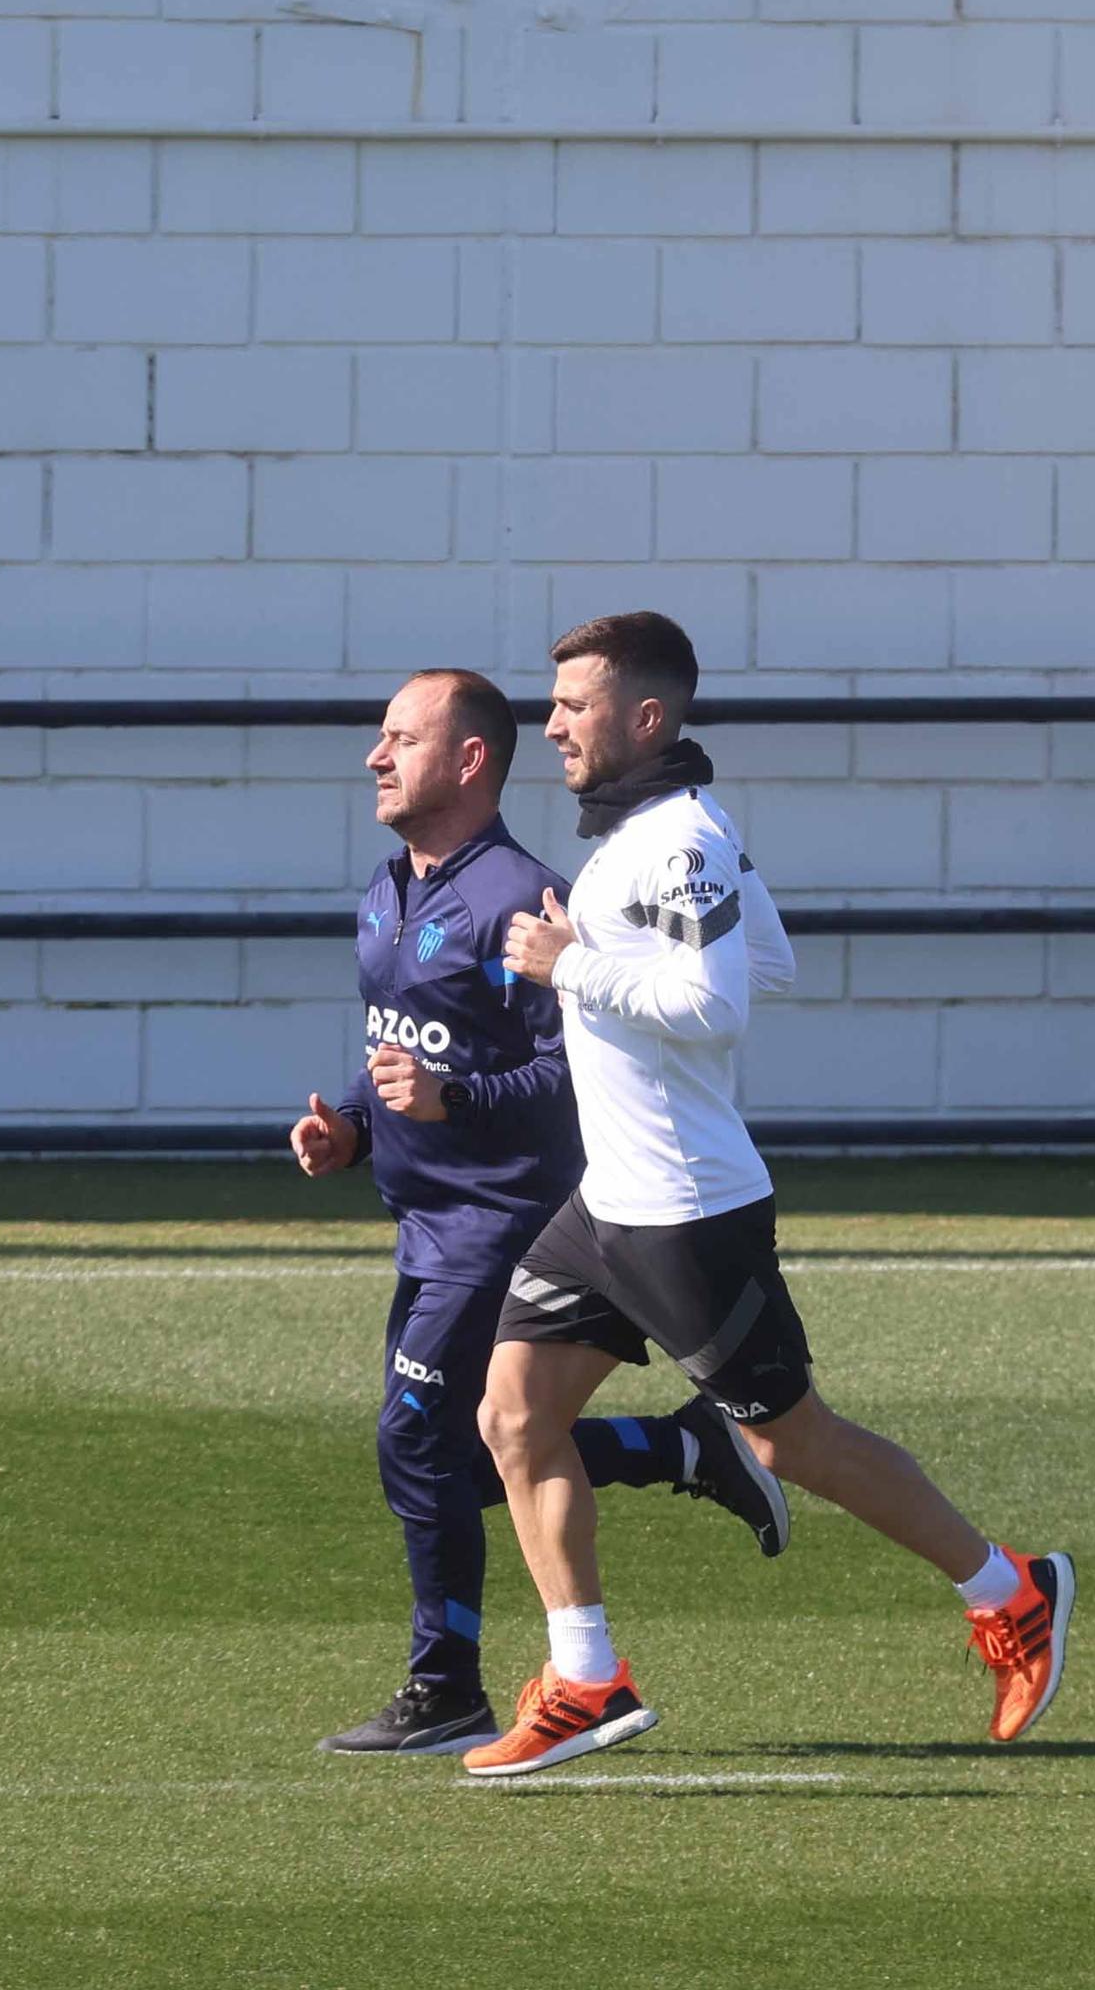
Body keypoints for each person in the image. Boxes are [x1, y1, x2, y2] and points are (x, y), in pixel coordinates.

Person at [464, 613, 1077, 1778]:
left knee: (791, 1441)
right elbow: (769, 958)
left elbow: (721, 1003)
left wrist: (570, 963)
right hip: (611, 1203)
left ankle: (1010, 1590)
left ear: (645, 717)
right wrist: (593, 942)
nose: (548, 725)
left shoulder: (679, 836)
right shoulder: (647, 833)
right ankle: (586, 1676)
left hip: (687, 1212)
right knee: (513, 1415)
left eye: (572, 705)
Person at [292, 666, 790, 1758]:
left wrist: (455, 1099)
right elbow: (411, 1054)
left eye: (398, 737)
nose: (374, 756)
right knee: (447, 1452)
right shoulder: (386, 893)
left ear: (468, 759)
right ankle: (677, 1450)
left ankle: (446, 1684)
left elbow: (567, 1073)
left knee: (420, 1440)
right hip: (424, 1217)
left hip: (511, 1217)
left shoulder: (521, 893)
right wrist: (356, 1129)